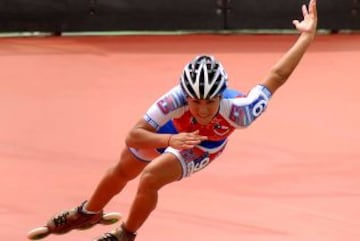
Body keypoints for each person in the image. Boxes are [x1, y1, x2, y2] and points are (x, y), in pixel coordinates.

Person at [37, 0, 318, 240]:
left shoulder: (240, 111)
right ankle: (88, 213)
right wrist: (169, 139)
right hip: (175, 132)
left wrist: (305, 37)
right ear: (186, 96)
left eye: (210, 101)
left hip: (204, 145)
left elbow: (276, 77)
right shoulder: (174, 100)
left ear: (221, 95)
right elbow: (134, 135)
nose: (203, 108)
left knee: (149, 178)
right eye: (196, 101)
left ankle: (125, 234)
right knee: (126, 165)